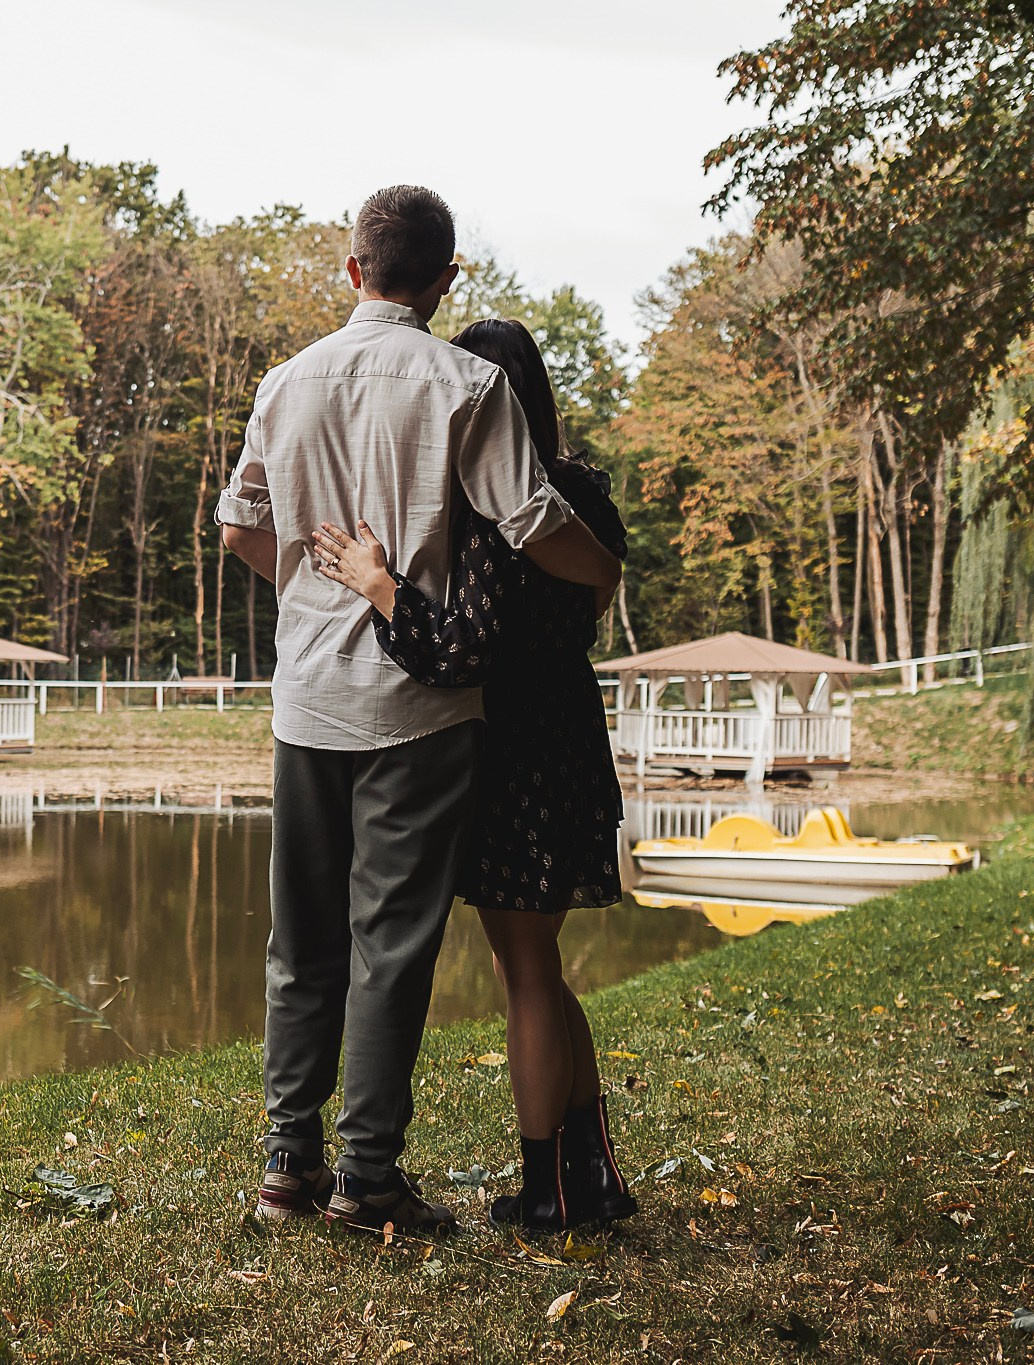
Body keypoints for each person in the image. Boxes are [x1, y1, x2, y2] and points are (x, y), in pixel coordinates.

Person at [217, 186, 621, 1236]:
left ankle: (285, 1166)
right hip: (417, 706)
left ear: (354, 270)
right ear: (445, 279)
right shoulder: (466, 384)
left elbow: (240, 529)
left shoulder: (284, 381)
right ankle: (367, 1179)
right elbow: (533, 522)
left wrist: (310, 598)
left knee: (299, 939)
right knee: (389, 946)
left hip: (306, 701)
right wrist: (602, 568)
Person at [310, 317, 639, 1231]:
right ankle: (591, 1174)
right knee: (542, 964)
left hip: (515, 751)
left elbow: (460, 652)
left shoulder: (498, 515)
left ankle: (546, 1192)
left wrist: (381, 588)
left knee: (524, 969)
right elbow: (596, 592)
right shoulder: (582, 496)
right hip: (572, 735)